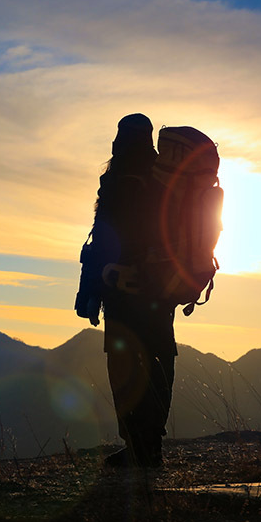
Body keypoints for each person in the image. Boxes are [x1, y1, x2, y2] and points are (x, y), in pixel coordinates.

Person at [90, 113, 178, 468]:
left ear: (119, 140)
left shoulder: (118, 179)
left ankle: (138, 447)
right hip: (161, 288)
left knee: (125, 365)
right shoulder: (165, 178)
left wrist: (99, 282)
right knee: (159, 358)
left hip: (124, 287)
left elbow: (107, 238)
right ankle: (151, 445)